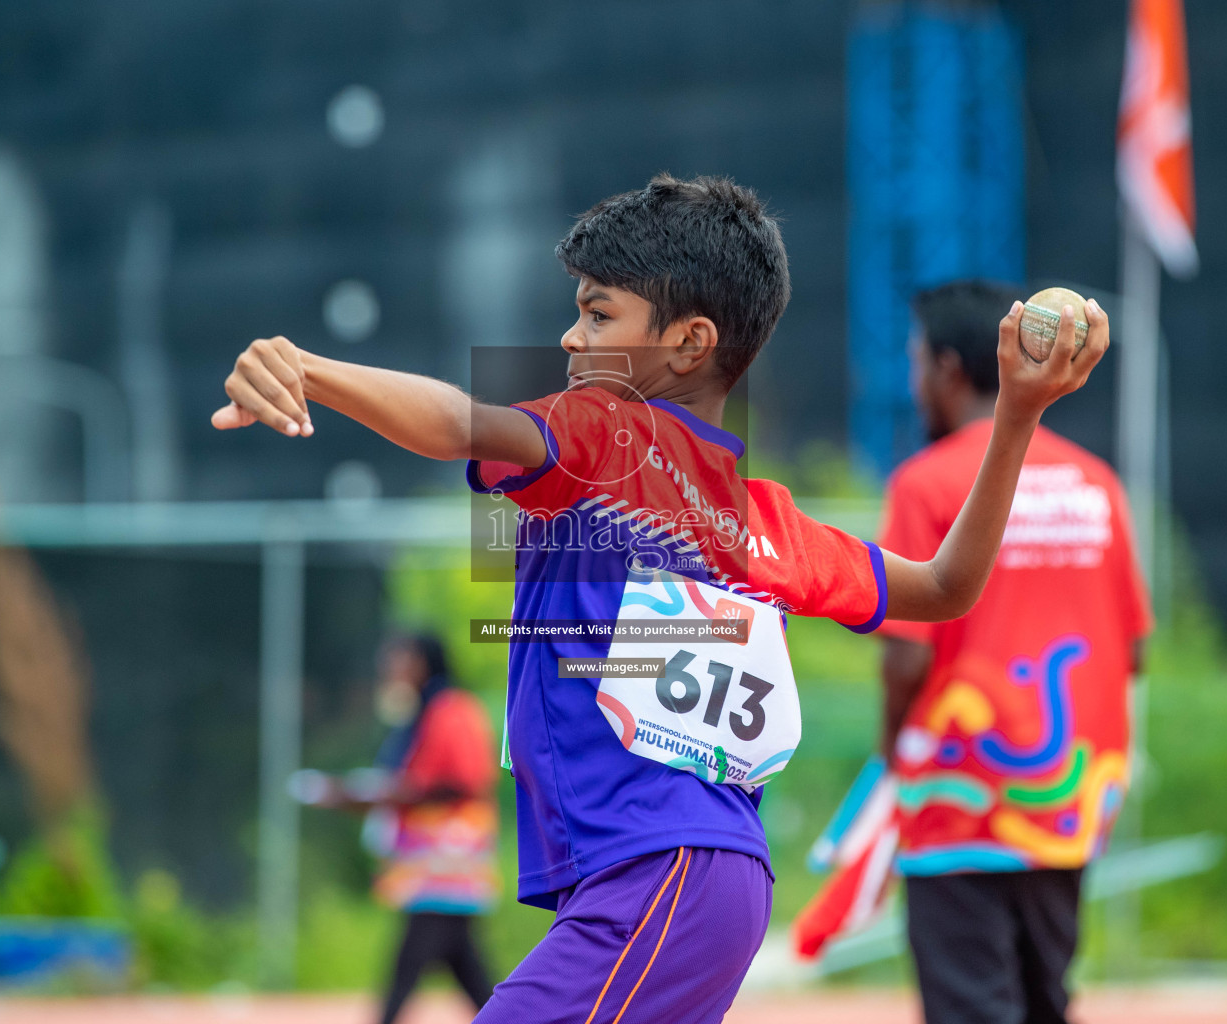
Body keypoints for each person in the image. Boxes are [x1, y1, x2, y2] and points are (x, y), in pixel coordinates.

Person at [216, 175, 1108, 1024]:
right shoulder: (769, 522)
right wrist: (1016, 417)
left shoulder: (600, 432)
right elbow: (946, 587)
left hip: (663, 868)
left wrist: (310, 369)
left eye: (598, 313)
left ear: (688, 342)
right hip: (698, 874)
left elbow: (458, 420)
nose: (571, 338)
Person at [876, 280, 1152, 1024]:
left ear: (949, 369)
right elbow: (1132, 652)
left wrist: (889, 756)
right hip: (1068, 798)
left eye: (914, 362)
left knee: (970, 1007)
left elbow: (905, 656)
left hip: (958, 799)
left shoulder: (924, 484)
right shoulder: (1097, 484)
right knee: (1043, 1002)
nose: (913, 382)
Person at [294, 634, 498, 1023]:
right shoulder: (421, 713)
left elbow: (463, 781)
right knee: (465, 966)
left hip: (449, 861)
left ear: (425, 662)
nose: (391, 671)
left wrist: (379, 793)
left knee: (412, 962)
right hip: (430, 863)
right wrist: (355, 795)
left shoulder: (452, 710)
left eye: (399, 661)